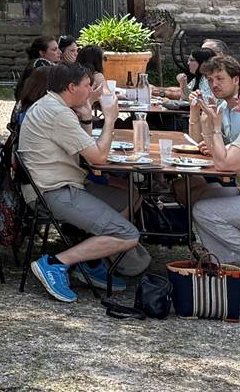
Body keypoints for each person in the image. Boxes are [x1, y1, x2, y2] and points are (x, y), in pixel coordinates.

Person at [19, 62, 149, 302]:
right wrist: (110, 119)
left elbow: (84, 150)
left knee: (130, 197)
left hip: (60, 184)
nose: (91, 91)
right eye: (88, 86)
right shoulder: (58, 113)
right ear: (71, 87)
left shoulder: (54, 105)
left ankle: (92, 258)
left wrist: (88, 116)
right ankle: (56, 263)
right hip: (52, 192)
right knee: (128, 235)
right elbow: (97, 157)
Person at [190, 86, 240, 272]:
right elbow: (226, 157)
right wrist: (208, 125)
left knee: (203, 211)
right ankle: (229, 263)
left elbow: (225, 165)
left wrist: (215, 127)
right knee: (206, 197)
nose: (236, 96)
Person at [191, 55, 240, 144]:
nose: (214, 85)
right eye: (210, 80)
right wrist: (194, 110)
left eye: (219, 78)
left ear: (236, 80)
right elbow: (197, 142)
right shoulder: (222, 107)